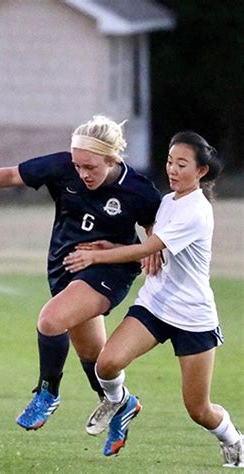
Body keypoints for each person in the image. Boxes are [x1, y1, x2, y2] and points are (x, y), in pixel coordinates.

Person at [0, 115, 161, 430]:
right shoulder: (62, 167)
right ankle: (120, 403)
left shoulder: (138, 190)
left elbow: (157, 227)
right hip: (64, 268)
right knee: (92, 355)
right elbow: (14, 175)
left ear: (112, 159)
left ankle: (48, 393)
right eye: (78, 165)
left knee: (51, 320)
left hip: (110, 271)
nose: (82, 173)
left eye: (91, 167)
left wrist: (151, 249)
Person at [64, 131, 243, 467]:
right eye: (169, 162)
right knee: (107, 364)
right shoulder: (167, 201)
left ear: (201, 171)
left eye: (182, 164)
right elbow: (150, 253)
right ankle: (119, 402)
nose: (172, 170)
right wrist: (113, 248)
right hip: (156, 303)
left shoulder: (197, 211)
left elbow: (149, 247)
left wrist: (97, 258)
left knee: (198, 409)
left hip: (193, 316)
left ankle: (234, 440)